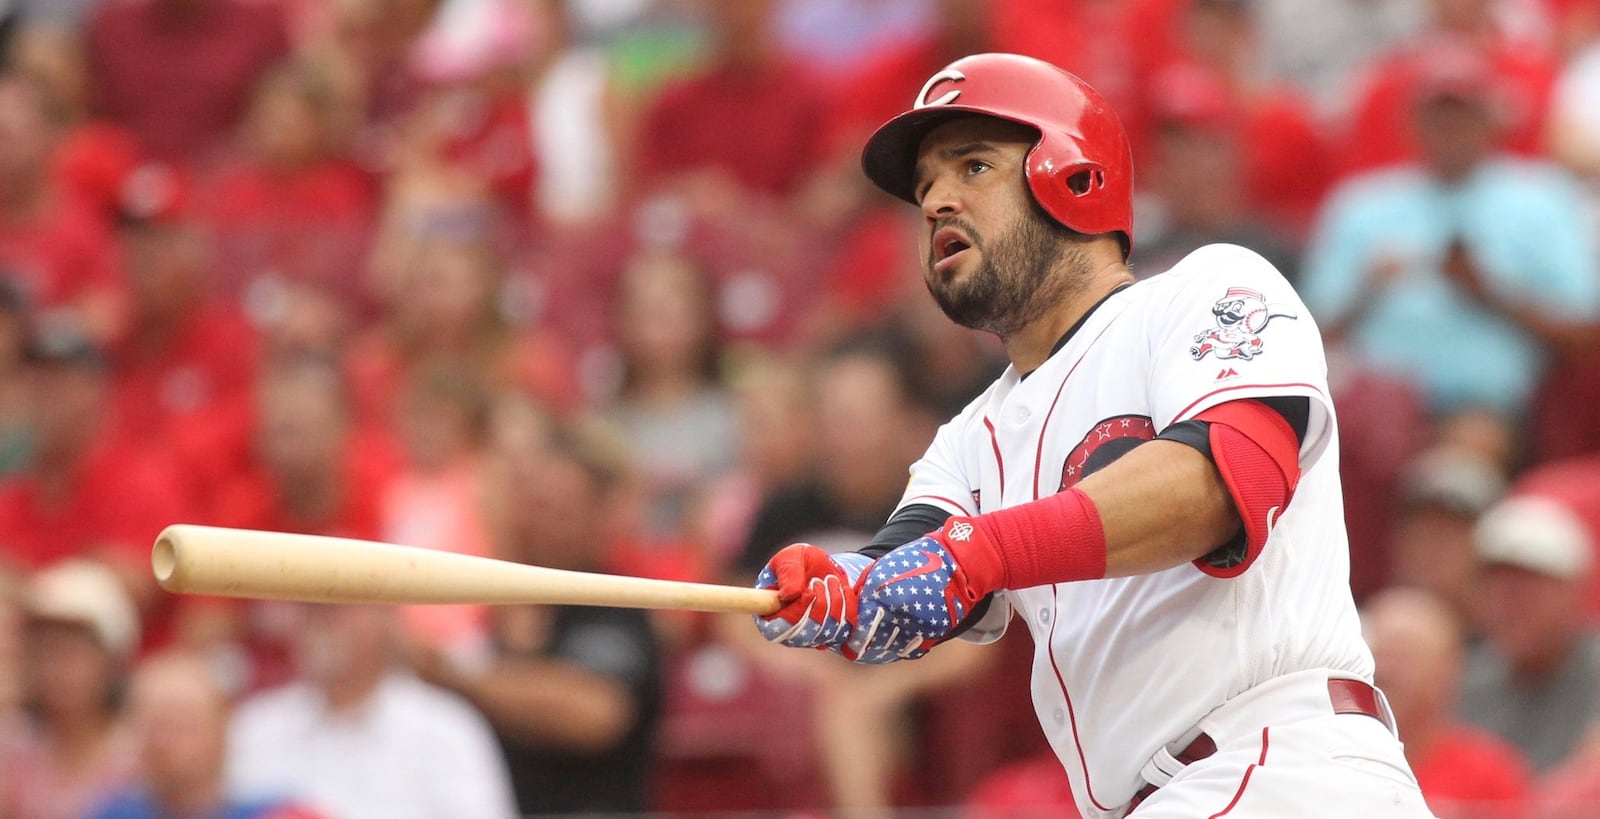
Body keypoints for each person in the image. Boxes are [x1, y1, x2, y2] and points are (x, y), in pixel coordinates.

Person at [750, 53, 1433, 818]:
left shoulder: (1208, 289)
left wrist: (975, 554)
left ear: (1073, 176)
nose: (937, 200)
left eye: (972, 167)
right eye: (924, 189)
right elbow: (905, 575)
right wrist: (834, 591)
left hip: (1280, 764)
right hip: (1166, 795)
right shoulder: (968, 439)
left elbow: (1221, 484)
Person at [226, 603, 518, 819]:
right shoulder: (253, 726)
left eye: (335, 608)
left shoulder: (446, 729)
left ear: (386, 620)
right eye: (308, 609)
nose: (320, 624)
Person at [1361, 587, 1532, 818]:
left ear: (1445, 674)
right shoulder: (1337, 760)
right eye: (1377, 657)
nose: (1385, 672)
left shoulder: (1489, 775)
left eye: (1401, 658)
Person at [91, 653, 323, 819]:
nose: (162, 742)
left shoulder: (281, 813)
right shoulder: (111, 812)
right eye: (153, 725)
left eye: (179, 724)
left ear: (221, 731)